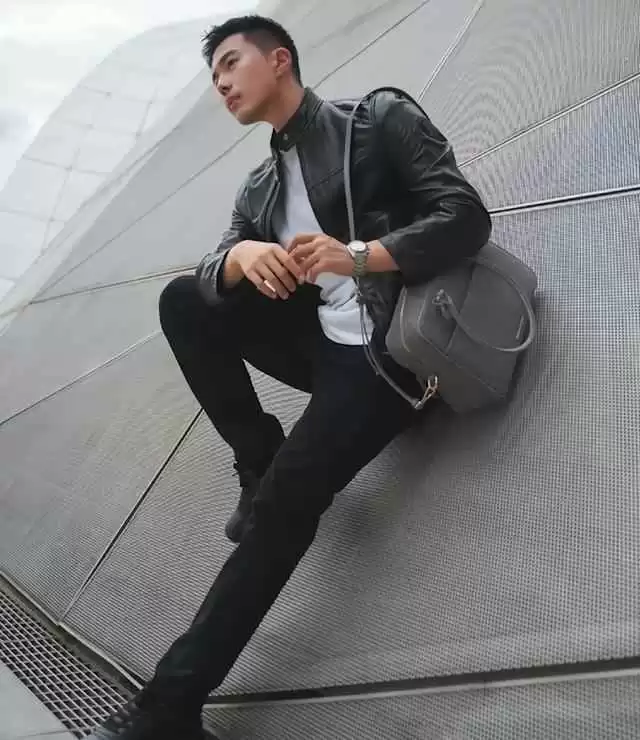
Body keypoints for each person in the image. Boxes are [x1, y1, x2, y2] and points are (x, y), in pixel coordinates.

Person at [88, 13, 491, 740]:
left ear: (279, 60)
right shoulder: (260, 189)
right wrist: (240, 258)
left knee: (281, 511)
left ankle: (168, 707)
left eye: (230, 64)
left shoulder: (376, 120)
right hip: (322, 349)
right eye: (213, 76)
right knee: (184, 300)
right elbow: (211, 272)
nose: (221, 84)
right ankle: (258, 457)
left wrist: (359, 255)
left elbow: (465, 216)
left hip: (388, 359)